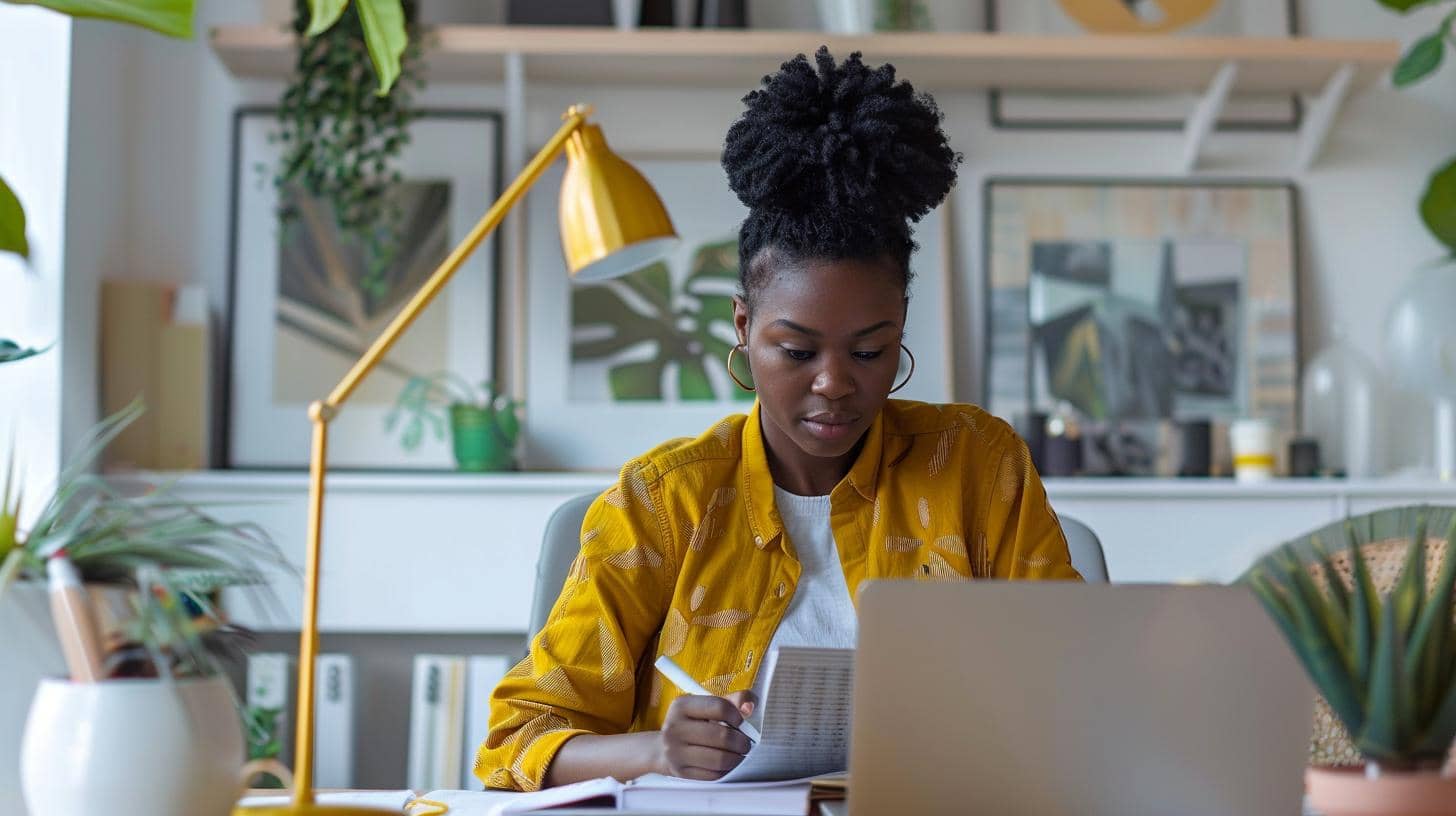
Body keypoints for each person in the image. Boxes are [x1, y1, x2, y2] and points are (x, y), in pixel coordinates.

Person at [478, 47, 1081, 792]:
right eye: (796, 350)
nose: (835, 384)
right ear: (742, 325)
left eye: (871, 349)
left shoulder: (975, 466)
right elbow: (519, 739)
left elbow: (1075, 690)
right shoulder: (666, 503)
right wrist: (655, 752)